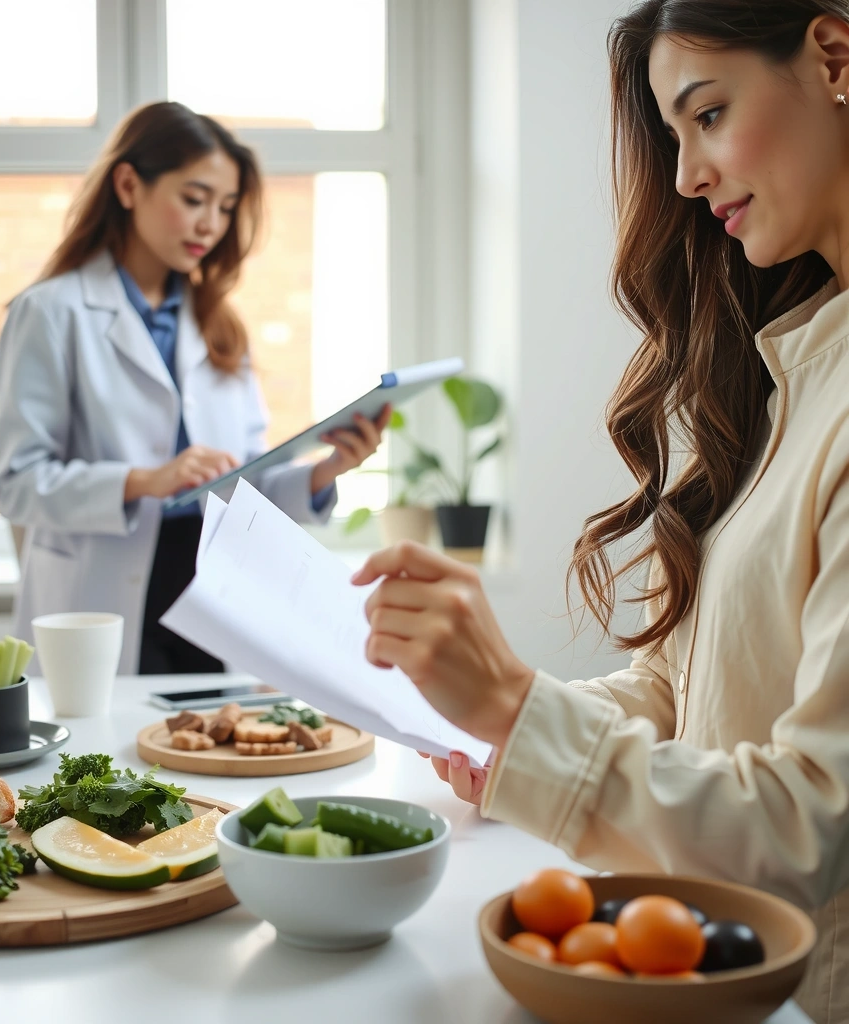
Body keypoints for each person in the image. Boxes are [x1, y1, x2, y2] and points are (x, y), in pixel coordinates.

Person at [353, 3, 849, 1019]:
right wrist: (506, 730)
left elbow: (807, 829)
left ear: (834, 57)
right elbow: (689, 688)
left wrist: (515, 707)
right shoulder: (792, 366)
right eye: (674, 135)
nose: (686, 176)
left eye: (707, 113)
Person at [0, 101, 388, 675]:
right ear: (128, 185)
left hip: (211, 594)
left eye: (225, 207)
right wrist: (144, 481)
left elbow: (244, 482)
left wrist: (326, 470)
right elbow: (18, 485)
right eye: (195, 199)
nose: (211, 224)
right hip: (102, 600)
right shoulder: (51, 312)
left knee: (216, 732)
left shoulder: (219, 325)